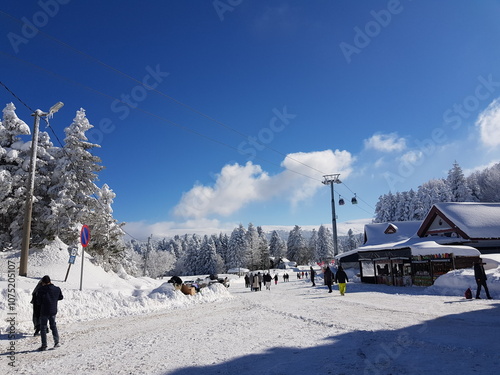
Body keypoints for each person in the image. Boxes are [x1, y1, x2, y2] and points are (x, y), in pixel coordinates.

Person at [36, 275, 63, 351]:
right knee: (53, 326)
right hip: (53, 310)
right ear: (50, 281)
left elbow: (38, 301)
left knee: (43, 328)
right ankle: (57, 342)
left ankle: (44, 345)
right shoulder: (57, 289)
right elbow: (61, 297)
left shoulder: (41, 290)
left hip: (44, 311)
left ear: (43, 282)